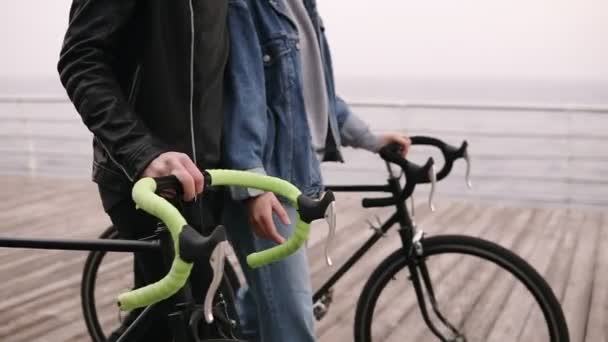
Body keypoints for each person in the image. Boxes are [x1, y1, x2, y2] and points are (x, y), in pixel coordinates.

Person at [222, 0, 411, 341]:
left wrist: (370, 139)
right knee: (292, 324)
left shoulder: (304, 6)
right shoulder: (247, 6)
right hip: (269, 183)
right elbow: (241, 92)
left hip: (299, 173)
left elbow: (317, 91)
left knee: (262, 305)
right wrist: (253, 183)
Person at [57, 0, 230, 340]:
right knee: (205, 324)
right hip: (149, 183)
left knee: (163, 321)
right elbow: (80, 60)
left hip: (205, 181)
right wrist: (141, 152)